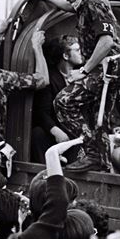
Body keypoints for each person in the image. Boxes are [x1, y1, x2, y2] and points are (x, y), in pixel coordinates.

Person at [26, 0, 120, 172]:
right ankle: (102, 163)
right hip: (107, 67)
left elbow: (107, 41)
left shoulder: (95, 2)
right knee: (97, 118)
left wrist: (83, 71)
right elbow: (67, 5)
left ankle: (92, 153)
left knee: (64, 102)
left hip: (106, 67)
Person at [31, 35, 81, 163]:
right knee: (38, 134)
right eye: (77, 50)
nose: (82, 53)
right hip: (57, 132)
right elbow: (41, 111)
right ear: (65, 56)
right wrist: (55, 130)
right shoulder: (51, 77)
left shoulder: (82, 75)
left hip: (77, 132)